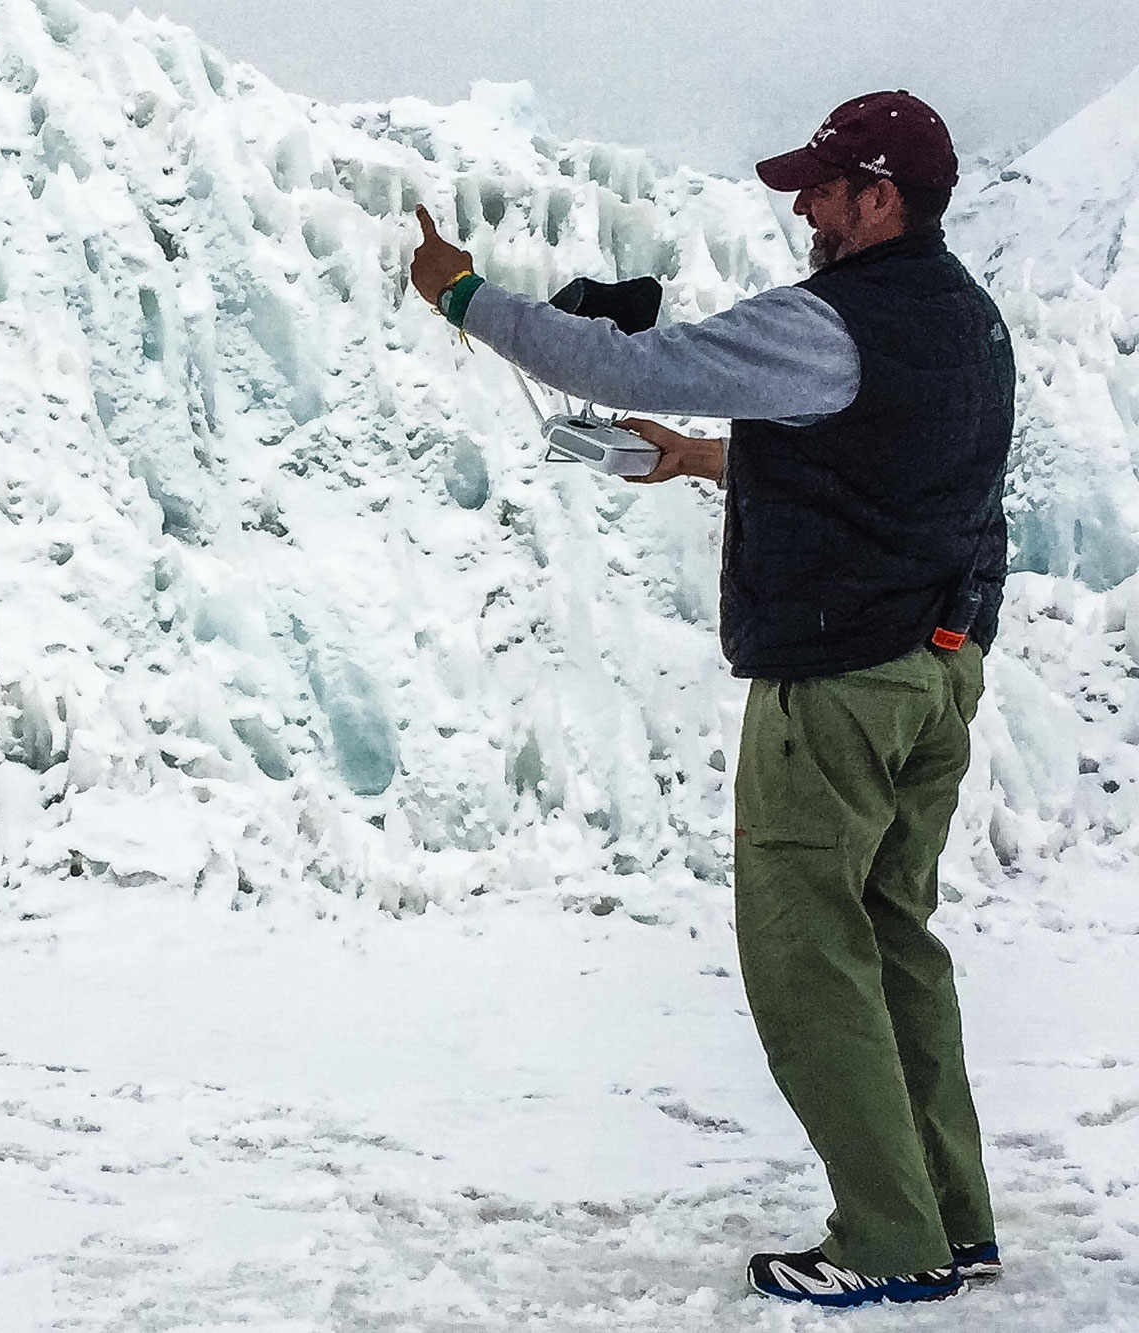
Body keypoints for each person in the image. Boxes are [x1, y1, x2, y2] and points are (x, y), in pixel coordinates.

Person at [409, 91, 1014, 1309]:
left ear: (880, 196)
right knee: (895, 943)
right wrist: (694, 459)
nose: (803, 205)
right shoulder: (969, 325)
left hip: (834, 689)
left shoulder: (830, 323)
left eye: (823, 187)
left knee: (808, 958)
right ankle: (952, 1217)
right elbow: (874, 464)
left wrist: (460, 294)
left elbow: (626, 358)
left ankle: (886, 1241)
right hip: (933, 676)